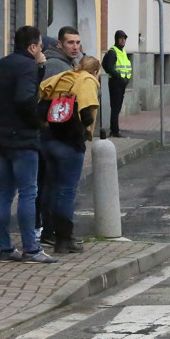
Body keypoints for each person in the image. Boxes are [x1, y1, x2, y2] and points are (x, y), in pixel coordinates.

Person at [0, 25, 58, 264]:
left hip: (2, 135)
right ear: (32, 47)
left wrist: (39, 68)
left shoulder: (3, 63)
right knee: (29, 193)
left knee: (5, 192)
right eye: (40, 46)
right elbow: (25, 99)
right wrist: (38, 122)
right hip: (23, 138)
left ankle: (5, 248)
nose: (42, 50)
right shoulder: (28, 65)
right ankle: (31, 248)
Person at [38, 56, 101, 254]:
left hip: (48, 138)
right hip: (68, 142)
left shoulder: (64, 76)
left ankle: (48, 231)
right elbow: (87, 110)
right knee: (66, 191)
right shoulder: (88, 80)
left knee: (50, 187)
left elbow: (42, 91)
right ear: (95, 71)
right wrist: (84, 132)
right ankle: (64, 239)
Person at [102, 30, 132, 138]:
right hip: (115, 83)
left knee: (117, 108)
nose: (123, 40)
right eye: (121, 38)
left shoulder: (122, 52)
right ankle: (115, 130)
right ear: (116, 39)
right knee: (115, 108)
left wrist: (126, 79)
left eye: (125, 38)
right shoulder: (113, 52)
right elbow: (108, 67)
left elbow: (125, 68)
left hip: (121, 83)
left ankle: (114, 129)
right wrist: (120, 78)